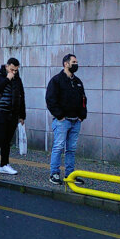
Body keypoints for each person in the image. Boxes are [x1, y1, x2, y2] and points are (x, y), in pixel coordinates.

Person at [46, 54, 87, 186]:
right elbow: (50, 100)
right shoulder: (56, 80)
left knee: (71, 149)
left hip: (76, 121)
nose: (76, 64)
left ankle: (70, 175)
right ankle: (54, 174)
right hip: (62, 121)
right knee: (58, 147)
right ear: (66, 64)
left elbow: (83, 100)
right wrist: (60, 116)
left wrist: (82, 116)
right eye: (73, 62)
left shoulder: (78, 81)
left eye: (76, 61)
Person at [0, 59, 26, 175]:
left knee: (7, 141)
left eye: (16, 70)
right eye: (12, 69)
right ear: (7, 66)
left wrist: (21, 115)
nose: (14, 72)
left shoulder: (17, 79)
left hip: (12, 114)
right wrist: (7, 79)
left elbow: (21, 97)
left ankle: (4, 164)